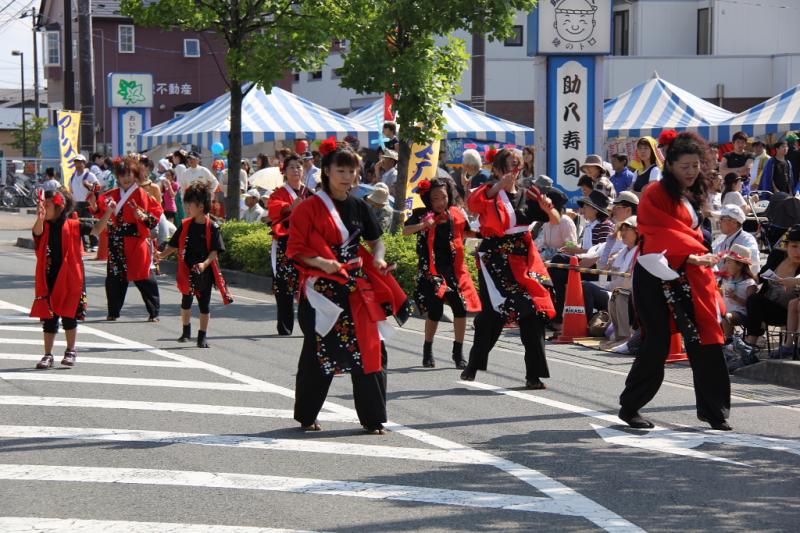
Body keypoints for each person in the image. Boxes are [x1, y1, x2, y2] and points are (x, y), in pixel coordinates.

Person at [287, 139, 409, 435]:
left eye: (351, 171)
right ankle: (306, 416)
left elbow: (375, 241)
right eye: (340, 170)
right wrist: (322, 262)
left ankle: (373, 418)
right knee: (318, 352)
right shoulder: (308, 209)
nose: (347, 176)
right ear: (326, 171)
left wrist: (378, 259)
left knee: (371, 349)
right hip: (322, 292)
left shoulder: (359, 206)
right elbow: (296, 250)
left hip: (356, 288)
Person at [619, 131, 731, 431]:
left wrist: (696, 255)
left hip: (689, 273)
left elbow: (692, 235)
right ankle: (630, 406)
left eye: (696, 165)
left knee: (705, 338)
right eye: (685, 166)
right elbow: (656, 230)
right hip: (656, 270)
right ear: (669, 165)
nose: (692, 171)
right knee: (656, 341)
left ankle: (715, 412)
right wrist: (690, 254)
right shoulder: (656, 192)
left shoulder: (695, 193)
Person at [459, 148, 560, 389]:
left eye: (516, 165)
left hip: (524, 259)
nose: (513, 171)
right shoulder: (489, 193)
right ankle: (474, 363)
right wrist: (498, 186)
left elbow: (555, 219)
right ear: (496, 169)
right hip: (496, 260)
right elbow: (473, 205)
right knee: (494, 314)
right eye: (507, 166)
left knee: (533, 311)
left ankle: (533, 375)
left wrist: (548, 209)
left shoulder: (528, 194)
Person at [31, 190, 114, 369]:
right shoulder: (43, 225)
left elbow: (96, 230)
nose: (44, 208)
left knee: (69, 315)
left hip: (71, 277)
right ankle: (48, 354)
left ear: (60, 207)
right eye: (43, 205)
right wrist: (39, 217)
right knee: (49, 318)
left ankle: (71, 350)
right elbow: (36, 233)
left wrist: (108, 212)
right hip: (49, 276)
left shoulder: (74, 225)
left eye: (48, 205)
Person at [403, 178, 481, 369]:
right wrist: (423, 225)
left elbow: (468, 232)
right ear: (428, 199)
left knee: (460, 308)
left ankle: (458, 352)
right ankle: (427, 350)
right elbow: (404, 231)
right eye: (435, 198)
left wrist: (488, 233)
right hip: (431, 271)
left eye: (443, 197)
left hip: (453, 270)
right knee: (435, 311)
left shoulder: (455, 214)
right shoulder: (421, 214)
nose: (440, 202)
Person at [89, 156, 163, 322]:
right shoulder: (111, 195)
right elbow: (100, 211)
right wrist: (95, 204)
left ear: (135, 175)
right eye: (123, 175)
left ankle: (153, 312)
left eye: (129, 174)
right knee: (115, 277)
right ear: (118, 177)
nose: (126, 178)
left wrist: (143, 216)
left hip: (136, 240)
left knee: (144, 277)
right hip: (116, 241)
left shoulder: (142, 194)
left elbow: (156, 213)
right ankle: (113, 311)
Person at [159, 183, 232, 348]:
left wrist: (204, 264)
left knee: (204, 305)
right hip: (186, 269)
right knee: (186, 301)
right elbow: (174, 245)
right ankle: (186, 332)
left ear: (200, 206)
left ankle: (202, 336)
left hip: (204, 271)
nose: (187, 207)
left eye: (189, 204)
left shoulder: (212, 227)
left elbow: (215, 251)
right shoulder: (186, 225)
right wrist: (160, 255)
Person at [268, 154, 310, 335]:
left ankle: (308, 325)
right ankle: (285, 326)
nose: (296, 170)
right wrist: (293, 206)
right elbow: (274, 211)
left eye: (299, 167)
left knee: (307, 284)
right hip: (286, 242)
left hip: (307, 243)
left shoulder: (310, 193)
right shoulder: (279, 193)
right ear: (285, 171)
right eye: (292, 167)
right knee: (284, 284)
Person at [743, 225, 800, 352]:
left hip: (792, 314)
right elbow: (760, 277)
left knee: (755, 301)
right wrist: (752, 284)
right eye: (794, 246)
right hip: (770, 307)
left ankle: (750, 346)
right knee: (753, 298)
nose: (798, 252)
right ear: (786, 247)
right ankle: (750, 345)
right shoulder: (777, 257)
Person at [582, 216, 638, 323]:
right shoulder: (622, 252)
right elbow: (602, 266)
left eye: (627, 229)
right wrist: (609, 242)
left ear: (637, 231)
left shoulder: (640, 253)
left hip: (627, 300)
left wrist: (606, 289)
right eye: (622, 229)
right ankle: (586, 323)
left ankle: (586, 324)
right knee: (583, 286)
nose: (623, 233)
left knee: (586, 287)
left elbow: (627, 283)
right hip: (616, 295)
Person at [719, 245, 758, 343]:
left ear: (740, 265)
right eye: (726, 261)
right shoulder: (725, 280)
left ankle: (729, 341)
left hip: (741, 313)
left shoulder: (749, 282)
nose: (726, 265)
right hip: (727, 310)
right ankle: (716, 342)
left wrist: (735, 298)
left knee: (726, 317)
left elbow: (751, 305)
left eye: (729, 261)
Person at [712, 204, 760, 275]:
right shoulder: (722, 238)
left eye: (722, 219)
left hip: (742, 284)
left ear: (734, 222)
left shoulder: (747, 238)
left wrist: (732, 256)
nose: (719, 222)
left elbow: (754, 258)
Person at [534, 187, 576, 261]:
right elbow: (541, 243)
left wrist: (554, 254)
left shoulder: (566, 222)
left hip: (560, 264)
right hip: (546, 261)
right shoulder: (547, 222)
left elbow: (571, 247)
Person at [69, 154, 99, 252]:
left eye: (80, 162)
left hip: (87, 203)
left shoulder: (90, 175)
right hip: (76, 203)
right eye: (76, 162)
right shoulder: (72, 176)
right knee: (78, 225)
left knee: (89, 223)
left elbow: (97, 188)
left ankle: (94, 243)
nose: (78, 164)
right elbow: (71, 190)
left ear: (84, 163)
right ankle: (84, 245)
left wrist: (89, 185)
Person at [720, 131, 754, 196]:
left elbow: (747, 170)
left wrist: (729, 171)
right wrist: (741, 169)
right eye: (738, 142)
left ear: (745, 144)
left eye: (742, 142)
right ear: (733, 143)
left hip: (743, 186)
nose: (740, 145)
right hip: (728, 186)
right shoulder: (727, 155)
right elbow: (722, 171)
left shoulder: (749, 155)